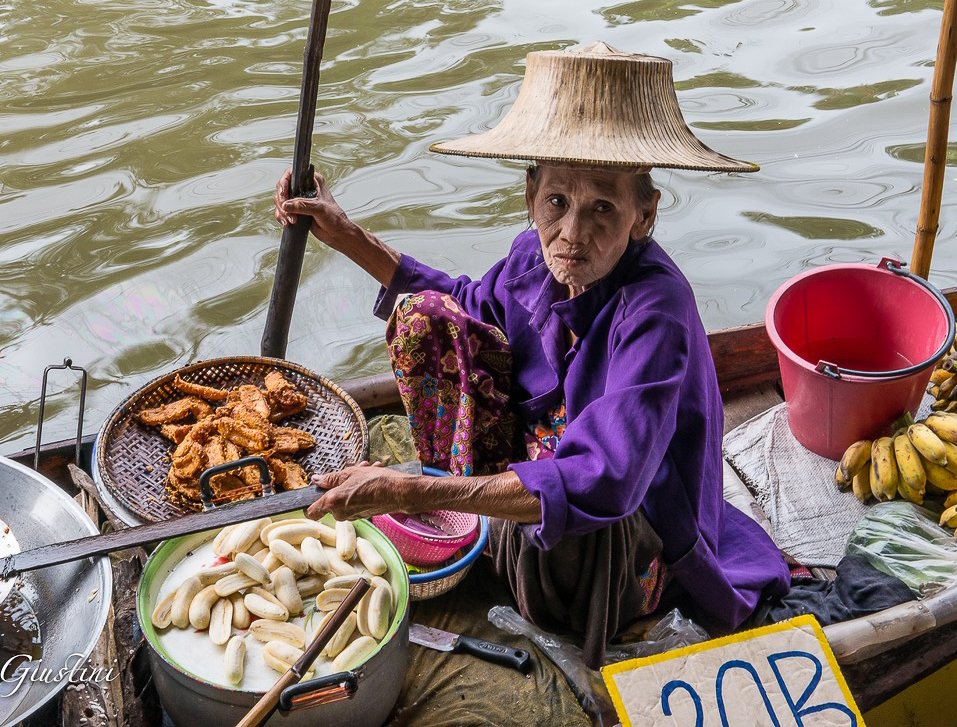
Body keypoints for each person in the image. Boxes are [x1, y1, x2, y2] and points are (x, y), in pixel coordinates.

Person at [275, 43, 791, 666]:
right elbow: (466, 304)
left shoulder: (656, 311)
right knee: (427, 319)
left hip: (634, 529)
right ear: (530, 197)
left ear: (644, 214)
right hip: (539, 465)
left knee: (568, 525)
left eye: (604, 207)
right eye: (557, 202)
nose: (572, 232)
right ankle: (479, 514)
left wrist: (414, 492)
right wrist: (345, 234)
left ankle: (489, 527)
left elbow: (605, 479)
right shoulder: (534, 259)